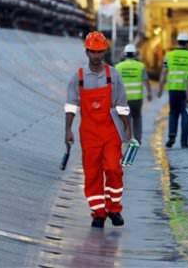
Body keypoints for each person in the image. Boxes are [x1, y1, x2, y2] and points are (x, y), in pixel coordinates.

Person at [64, 31, 131, 228]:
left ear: (104, 53)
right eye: (93, 51)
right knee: (92, 174)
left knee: (113, 169)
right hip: (89, 134)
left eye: (99, 52)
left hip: (111, 131)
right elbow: (70, 106)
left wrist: (128, 128)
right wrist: (68, 130)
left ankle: (114, 209)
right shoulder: (78, 78)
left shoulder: (113, 75)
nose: (96, 55)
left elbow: (122, 104)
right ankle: (98, 213)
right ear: (87, 52)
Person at [157, 32, 188, 148]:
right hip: (186, 90)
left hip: (173, 90)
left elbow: (163, 73)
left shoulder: (168, 55)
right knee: (186, 114)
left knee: (173, 113)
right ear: (187, 43)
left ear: (177, 42)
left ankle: (172, 135)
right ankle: (184, 142)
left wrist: (160, 88)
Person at [115, 44, 152, 144]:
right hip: (137, 98)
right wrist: (149, 93)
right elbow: (146, 81)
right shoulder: (140, 66)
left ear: (125, 54)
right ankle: (138, 140)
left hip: (124, 99)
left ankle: (126, 139)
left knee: (125, 119)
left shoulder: (118, 67)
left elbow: (115, 84)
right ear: (135, 54)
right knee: (137, 118)